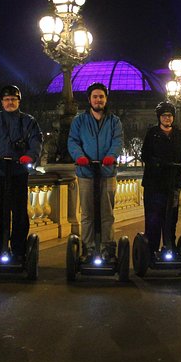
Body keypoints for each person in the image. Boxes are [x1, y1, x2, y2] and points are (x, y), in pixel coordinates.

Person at [0, 85, 43, 262]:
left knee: (19, 212)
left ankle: (19, 249)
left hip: (17, 171)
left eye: (13, 99)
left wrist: (30, 156)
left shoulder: (28, 121)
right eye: (7, 99)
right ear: (2, 102)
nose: (10, 102)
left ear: (19, 101)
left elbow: (36, 142)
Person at [68, 82, 123, 262]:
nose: (98, 100)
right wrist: (80, 156)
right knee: (87, 214)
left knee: (107, 213)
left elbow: (118, 141)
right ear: (90, 99)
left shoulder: (114, 121)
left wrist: (111, 156)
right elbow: (73, 141)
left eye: (101, 97)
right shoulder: (79, 121)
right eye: (95, 97)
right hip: (86, 172)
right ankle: (88, 248)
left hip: (107, 172)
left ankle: (108, 248)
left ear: (106, 99)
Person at [140, 101, 181, 256]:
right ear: (159, 117)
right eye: (164, 116)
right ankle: (152, 250)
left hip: (173, 183)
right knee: (154, 218)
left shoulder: (179, 135)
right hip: (154, 183)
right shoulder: (152, 133)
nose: (167, 118)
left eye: (170, 116)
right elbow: (145, 154)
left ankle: (169, 247)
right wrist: (157, 162)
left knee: (171, 218)